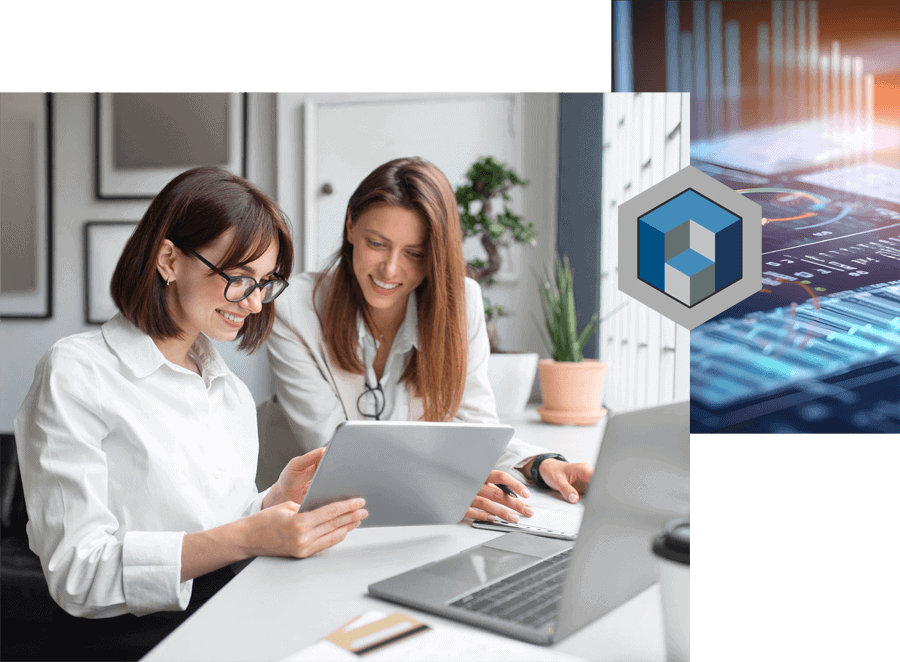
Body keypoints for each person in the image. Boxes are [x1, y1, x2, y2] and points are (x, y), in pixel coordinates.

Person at [14, 167, 368, 661]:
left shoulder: (230, 393)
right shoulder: (76, 373)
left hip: (228, 621)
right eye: (239, 278)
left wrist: (269, 504)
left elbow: (215, 529)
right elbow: (79, 575)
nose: (255, 302)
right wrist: (248, 536)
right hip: (123, 643)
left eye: (266, 283)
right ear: (168, 259)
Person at [258, 157, 593, 525]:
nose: (390, 269)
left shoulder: (460, 303)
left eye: (414, 254)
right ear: (351, 227)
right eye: (377, 243)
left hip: (403, 514)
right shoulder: (292, 309)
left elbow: (473, 430)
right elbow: (331, 453)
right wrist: (445, 487)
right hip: (300, 517)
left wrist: (539, 464)